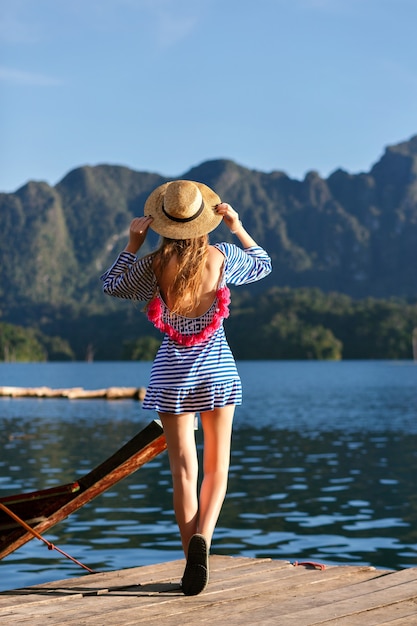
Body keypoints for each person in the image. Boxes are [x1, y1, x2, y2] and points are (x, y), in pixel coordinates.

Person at [101, 180, 272, 595]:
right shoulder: (222, 256)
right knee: (216, 466)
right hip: (216, 371)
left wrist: (132, 243)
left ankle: (188, 564)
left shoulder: (153, 266)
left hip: (171, 375)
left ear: (163, 224)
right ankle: (204, 542)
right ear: (204, 218)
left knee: (183, 471)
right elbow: (263, 262)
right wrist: (236, 225)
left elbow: (112, 285)